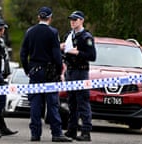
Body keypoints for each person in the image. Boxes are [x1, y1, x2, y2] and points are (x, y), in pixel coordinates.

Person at [20, 6, 72, 142]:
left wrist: (27, 69)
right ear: (50, 17)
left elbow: (23, 53)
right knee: (52, 103)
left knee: (36, 103)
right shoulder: (52, 32)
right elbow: (56, 55)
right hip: (50, 73)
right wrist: (60, 69)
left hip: (35, 71)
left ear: (39, 17)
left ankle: (35, 134)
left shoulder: (30, 32)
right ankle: (56, 133)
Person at [60, 11, 96, 141]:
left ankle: (86, 132)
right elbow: (65, 54)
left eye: (75, 20)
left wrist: (78, 53)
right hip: (70, 71)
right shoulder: (68, 36)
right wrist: (61, 49)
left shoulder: (86, 37)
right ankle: (72, 130)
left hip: (81, 72)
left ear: (81, 21)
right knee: (72, 103)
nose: (72, 22)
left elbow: (92, 56)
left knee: (82, 102)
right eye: (71, 19)